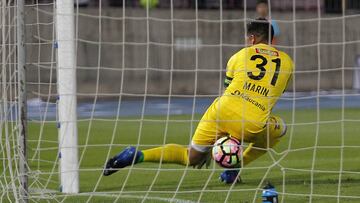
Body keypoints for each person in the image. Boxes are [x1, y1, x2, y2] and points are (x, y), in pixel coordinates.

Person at [103, 18, 293, 184]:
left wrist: (218, 138)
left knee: (191, 156)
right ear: (271, 38)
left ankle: (138, 155)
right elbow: (272, 96)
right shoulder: (287, 62)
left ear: (252, 39)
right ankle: (234, 168)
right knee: (280, 129)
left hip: (220, 111)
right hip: (252, 123)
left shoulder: (239, 56)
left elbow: (228, 88)